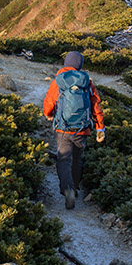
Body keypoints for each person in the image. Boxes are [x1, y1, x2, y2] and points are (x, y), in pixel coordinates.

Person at [42, 51, 106, 209]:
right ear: (80, 65)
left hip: (63, 128)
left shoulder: (59, 81)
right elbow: (96, 106)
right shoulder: (87, 82)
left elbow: (49, 102)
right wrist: (100, 128)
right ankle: (75, 188)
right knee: (78, 159)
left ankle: (67, 189)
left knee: (63, 158)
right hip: (82, 128)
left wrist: (48, 115)